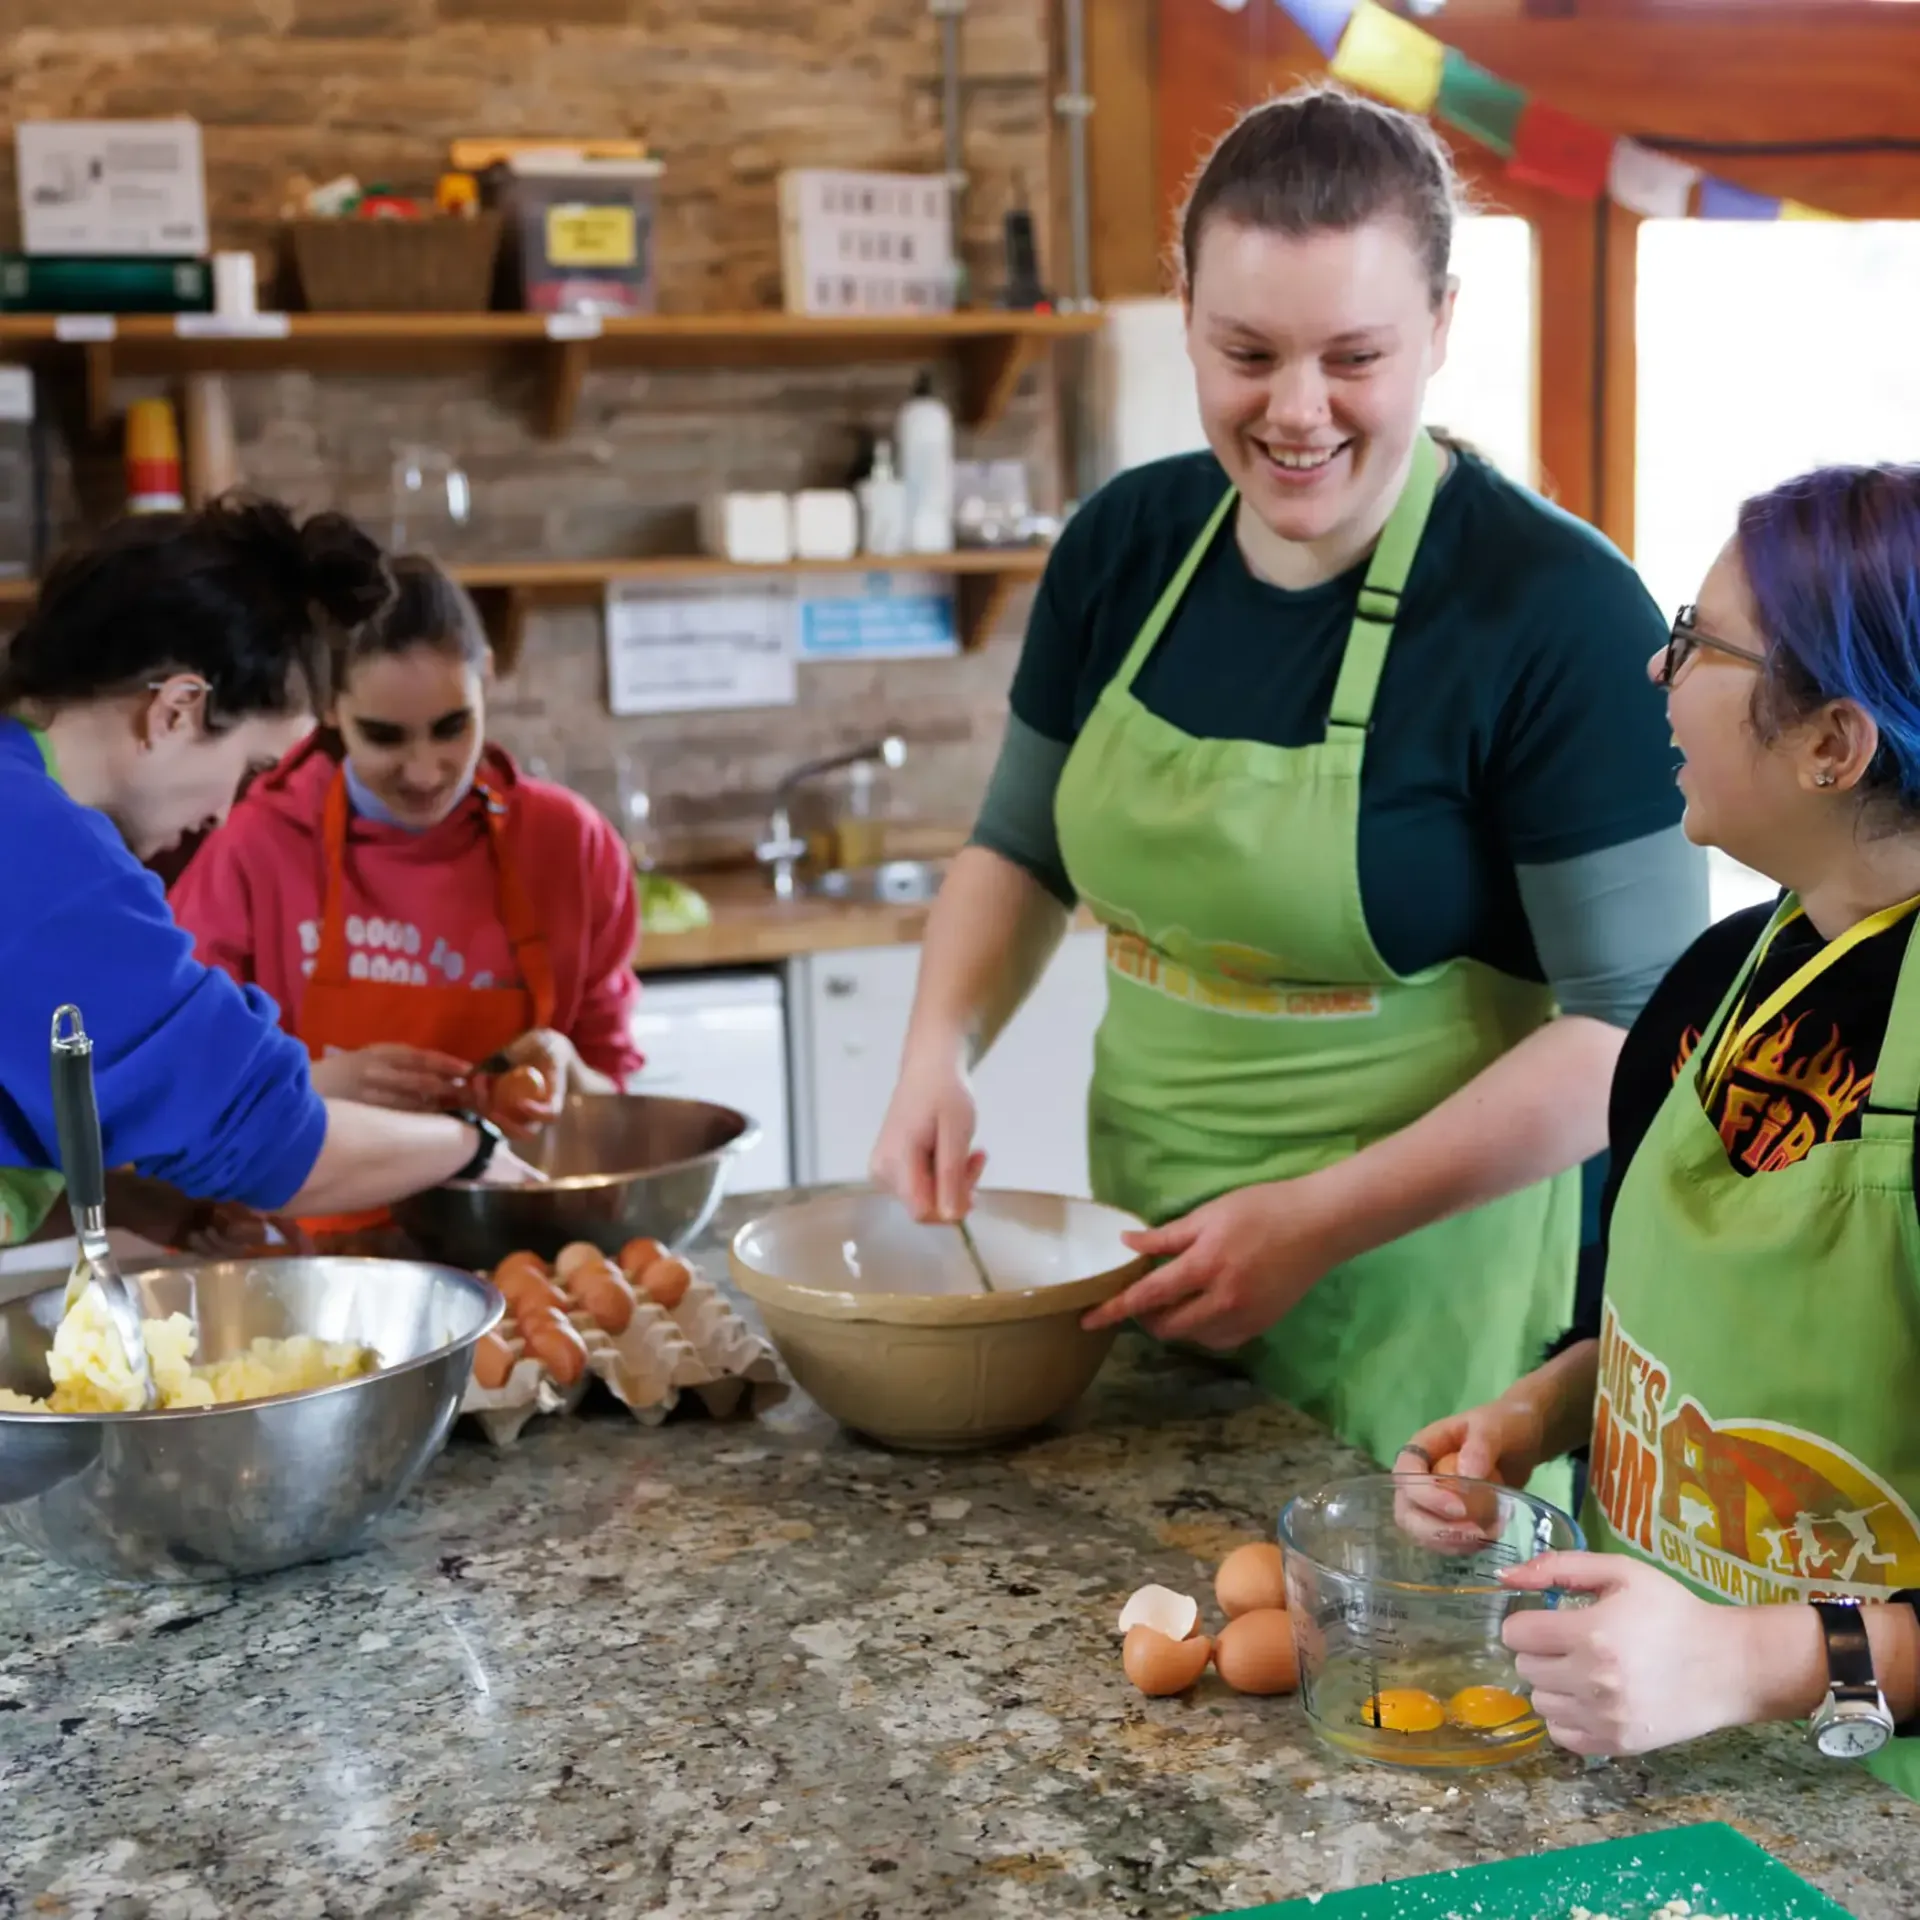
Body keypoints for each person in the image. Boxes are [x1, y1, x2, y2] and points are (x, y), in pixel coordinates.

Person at [870, 81, 1707, 1473]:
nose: (1297, 411)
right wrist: (935, 1053)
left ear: (1441, 328)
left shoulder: (1557, 611)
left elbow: (1629, 1030)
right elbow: (1020, 850)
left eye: (1354, 356)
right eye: (1245, 351)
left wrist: (1312, 1221)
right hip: (1149, 1249)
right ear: (1183, 310)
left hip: (1436, 1296)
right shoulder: (1126, 547)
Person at [1395, 463, 1920, 1798]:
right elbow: (1641, 1318)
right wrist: (1526, 1416)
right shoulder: (1723, 975)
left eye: (1696, 640)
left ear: (1832, 744)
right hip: (1639, 1740)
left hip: (1864, 1803)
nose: (1655, 668)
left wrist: (1746, 1662)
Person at [0, 497, 537, 1256]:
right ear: (178, 711)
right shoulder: (44, 856)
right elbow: (269, 1144)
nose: (226, 812)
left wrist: (124, 1202)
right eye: (251, 768)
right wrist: (467, 1148)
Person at [169, 553, 641, 1229]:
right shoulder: (256, 848)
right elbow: (184, 1085)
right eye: (384, 736)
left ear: (486, 682)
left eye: (453, 728)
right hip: (316, 1259)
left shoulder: (570, 844)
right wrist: (313, 1084)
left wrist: (570, 1071)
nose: (424, 771)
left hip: (521, 1242)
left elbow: (616, 1094)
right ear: (332, 708)